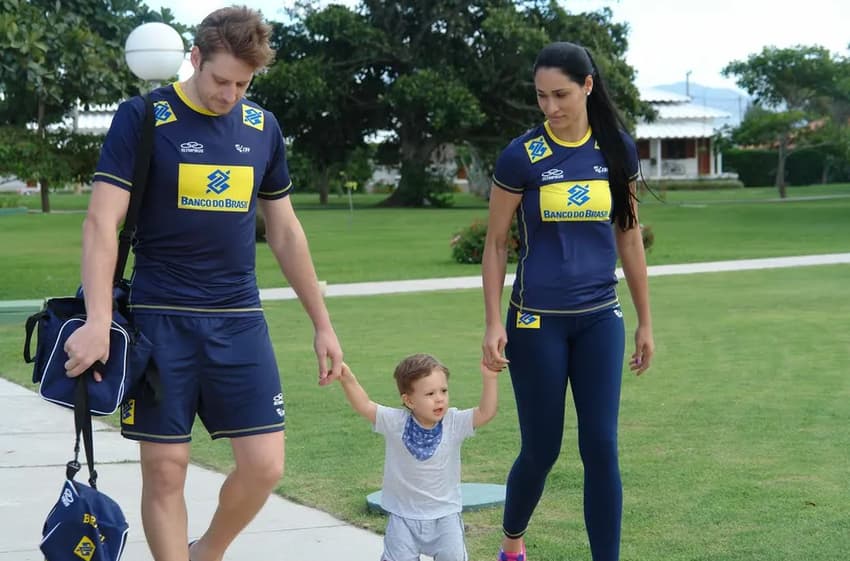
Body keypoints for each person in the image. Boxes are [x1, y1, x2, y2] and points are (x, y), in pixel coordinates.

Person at [61, 6, 343, 561]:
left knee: (265, 465)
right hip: (160, 320)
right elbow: (101, 222)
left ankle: (206, 552)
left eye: (243, 83)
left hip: (239, 318)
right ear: (194, 58)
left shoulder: (263, 129)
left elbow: (284, 231)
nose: (230, 94)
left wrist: (323, 324)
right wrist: (97, 320)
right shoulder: (144, 117)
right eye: (220, 80)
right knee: (167, 470)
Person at [481, 41, 655, 561]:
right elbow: (494, 245)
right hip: (537, 323)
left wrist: (646, 321)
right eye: (540, 97)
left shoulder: (615, 148)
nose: (551, 107)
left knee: (601, 447)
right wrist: (493, 322)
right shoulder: (522, 156)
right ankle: (512, 542)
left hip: (601, 318)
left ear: (587, 86)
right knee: (542, 449)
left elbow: (629, 236)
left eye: (560, 94)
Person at [334, 354, 499, 561]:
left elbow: (486, 412)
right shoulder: (396, 422)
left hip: (445, 515)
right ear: (409, 400)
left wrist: (490, 377)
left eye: (444, 391)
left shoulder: (453, 423)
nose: (439, 398)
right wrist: (347, 378)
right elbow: (365, 405)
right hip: (403, 516)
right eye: (430, 393)